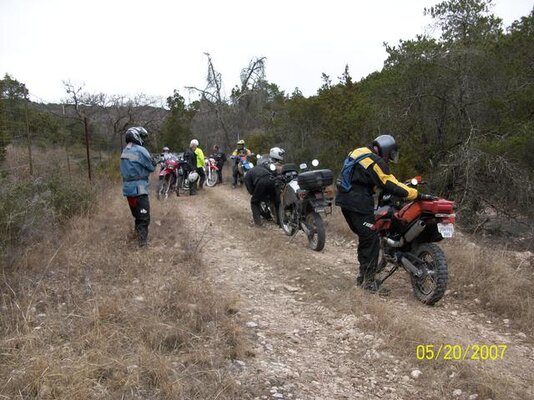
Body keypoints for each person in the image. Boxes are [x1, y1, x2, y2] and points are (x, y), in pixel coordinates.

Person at [335, 134, 430, 294]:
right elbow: (388, 182)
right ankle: (368, 283)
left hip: (345, 200)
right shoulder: (375, 161)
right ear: (386, 150)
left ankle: (363, 277)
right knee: (371, 239)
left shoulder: (359, 152)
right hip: (358, 202)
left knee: (366, 237)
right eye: (390, 155)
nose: (389, 159)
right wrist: (417, 195)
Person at [120, 126, 156, 247]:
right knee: (144, 218)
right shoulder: (140, 150)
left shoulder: (125, 150)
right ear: (136, 136)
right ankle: (142, 244)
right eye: (141, 136)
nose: (142, 139)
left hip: (128, 189)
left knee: (137, 217)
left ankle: (136, 237)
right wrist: (154, 162)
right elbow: (151, 167)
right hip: (139, 188)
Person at [245, 147, 285, 226]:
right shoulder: (262, 167)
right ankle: (280, 223)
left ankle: (258, 223)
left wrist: (258, 196)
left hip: (261, 182)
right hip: (271, 180)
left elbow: (251, 191)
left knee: (254, 202)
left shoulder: (248, 175)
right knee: (276, 201)